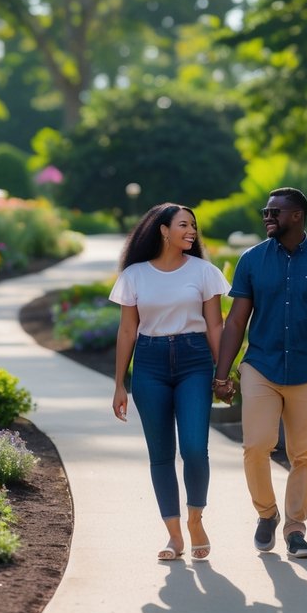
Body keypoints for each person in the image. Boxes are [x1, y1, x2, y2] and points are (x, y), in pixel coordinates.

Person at [212, 187, 307, 560]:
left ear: (297, 216)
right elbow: (237, 321)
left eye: (274, 212)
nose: (267, 217)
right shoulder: (251, 260)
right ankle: (267, 513)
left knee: (303, 455)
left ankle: (295, 528)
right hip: (262, 366)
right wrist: (222, 374)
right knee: (256, 445)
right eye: (266, 211)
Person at [111, 203, 230, 561]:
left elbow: (215, 325)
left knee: (194, 448)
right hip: (149, 365)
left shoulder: (204, 272)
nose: (192, 231)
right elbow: (128, 329)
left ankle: (196, 519)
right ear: (163, 230)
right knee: (160, 455)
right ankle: (174, 536)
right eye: (184, 225)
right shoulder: (134, 275)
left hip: (194, 361)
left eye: (194, 226)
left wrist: (223, 372)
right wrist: (120, 383)